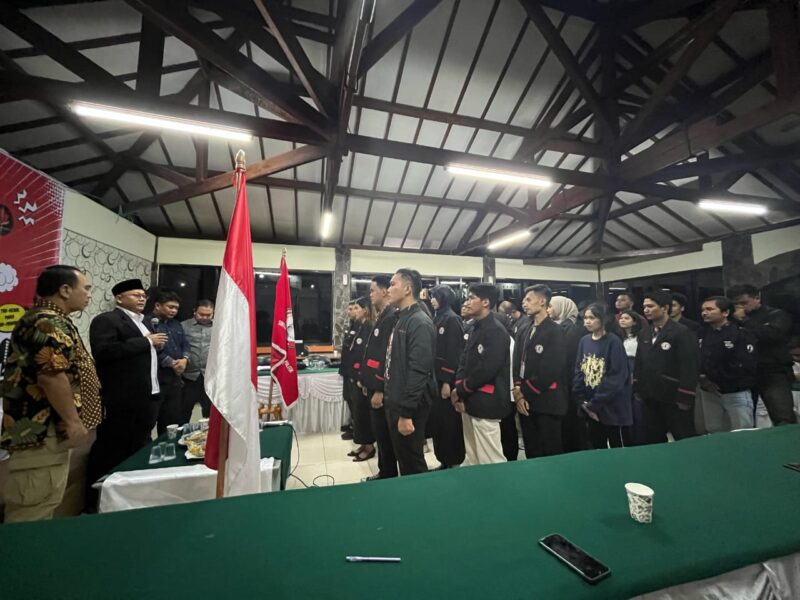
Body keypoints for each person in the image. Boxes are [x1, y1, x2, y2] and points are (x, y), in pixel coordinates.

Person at [1, 266, 100, 522]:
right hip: (41, 431)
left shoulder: (55, 319)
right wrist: (73, 422)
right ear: (65, 290)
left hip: (49, 431)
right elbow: (52, 376)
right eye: (86, 288)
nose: (89, 294)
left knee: (45, 501)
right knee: (32, 509)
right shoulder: (46, 322)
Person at [87, 279, 167, 485]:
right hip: (123, 397)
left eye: (143, 296)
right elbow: (104, 351)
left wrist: (154, 346)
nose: (142, 299)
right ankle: (100, 489)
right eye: (136, 295)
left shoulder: (145, 321)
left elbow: (141, 352)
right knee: (114, 445)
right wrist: (147, 341)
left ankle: (132, 486)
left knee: (140, 443)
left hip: (149, 394)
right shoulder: (107, 320)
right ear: (119, 298)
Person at [452, 284, 512, 466]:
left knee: (491, 459)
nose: (467, 302)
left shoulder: (496, 330)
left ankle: (497, 485)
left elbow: (487, 369)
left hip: (487, 402)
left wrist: (462, 389)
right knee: (472, 455)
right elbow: (464, 361)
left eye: (471, 298)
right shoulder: (475, 327)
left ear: (485, 302)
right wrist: (459, 387)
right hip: (470, 398)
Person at [384, 268, 436, 475]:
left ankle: (419, 494)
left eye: (392, 284)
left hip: (409, 405)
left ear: (407, 289)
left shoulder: (419, 321)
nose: (388, 289)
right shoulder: (402, 318)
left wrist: (406, 413)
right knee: (403, 457)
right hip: (396, 398)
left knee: (412, 460)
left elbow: (419, 370)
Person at [634, 290, 699, 444]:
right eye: (644, 307)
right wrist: (637, 386)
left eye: (651, 306)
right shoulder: (644, 333)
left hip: (674, 395)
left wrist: (686, 395)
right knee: (653, 438)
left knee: (683, 437)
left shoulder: (681, 332)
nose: (646, 310)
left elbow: (689, 365)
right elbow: (639, 362)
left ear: (665, 308)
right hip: (650, 395)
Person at [728, 284, 796, 426]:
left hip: (773, 370)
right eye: (736, 304)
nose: (740, 308)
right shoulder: (732, 320)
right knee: (744, 420)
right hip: (745, 373)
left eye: (744, 303)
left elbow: (772, 335)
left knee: (782, 415)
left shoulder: (776, 315)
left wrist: (745, 321)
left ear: (757, 298)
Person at [513, 284, 567, 457]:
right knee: (532, 450)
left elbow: (550, 370)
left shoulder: (555, 331)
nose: (524, 303)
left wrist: (523, 392)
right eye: (524, 300)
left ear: (542, 301)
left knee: (550, 452)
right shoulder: (524, 328)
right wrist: (517, 390)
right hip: (525, 399)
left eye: (529, 299)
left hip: (546, 402)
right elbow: (517, 362)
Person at [573, 303, 632, 449]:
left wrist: (594, 404)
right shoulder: (584, 340)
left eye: (592, 318)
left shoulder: (614, 342)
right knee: (597, 445)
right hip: (589, 405)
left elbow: (616, 377)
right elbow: (579, 369)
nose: (587, 321)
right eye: (585, 318)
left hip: (611, 407)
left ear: (603, 319)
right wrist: (582, 400)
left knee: (617, 446)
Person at [697, 296, 757, 432]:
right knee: (714, 430)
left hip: (735, 390)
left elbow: (745, 364)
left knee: (741, 431)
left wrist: (719, 379)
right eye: (703, 310)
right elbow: (697, 359)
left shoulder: (740, 334)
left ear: (725, 312)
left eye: (710, 309)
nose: (705, 313)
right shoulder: (701, 333)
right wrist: (703, 378)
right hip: (709, 391)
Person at [360, 276, 399, 480]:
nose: (370, 295)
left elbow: (386, 355)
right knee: (380, 433)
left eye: (373, 290)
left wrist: (379, 389)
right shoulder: (382, 315)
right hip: (372, 383)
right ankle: (385, 470)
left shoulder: (391, 316)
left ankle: (388, 473)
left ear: (384, 292)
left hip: (381, 388)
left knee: (384, 435)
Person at [429, 285, 465, 470]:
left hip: (446, 380)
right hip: (434, 378)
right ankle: (443, 458)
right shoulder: (437, 317)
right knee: (439, 422)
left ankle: (453, 460)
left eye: (435, 296)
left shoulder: (452, 319)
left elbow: (454, 353)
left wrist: (446, 381)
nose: (432, 300)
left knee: (449, 423)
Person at [148, 289, 190, 434]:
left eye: (176, 308)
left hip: (175, 379)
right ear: (158, 305)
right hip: (156, 380)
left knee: (171, 421)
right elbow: (151, 349)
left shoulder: (176, 324)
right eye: (170, 307)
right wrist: (171, 363)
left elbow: (185, 344)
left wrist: (185, 360)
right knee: (149, 422)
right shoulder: (147, 323)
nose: (174, 311)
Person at [548, 295, 585, 452]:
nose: (548, 310)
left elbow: (566, 358)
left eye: (551, 306)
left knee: (570, 425)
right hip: (559, 384)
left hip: (567, 383)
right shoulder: (556, 326)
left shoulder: (570, 329)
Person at [343, 297, 375, 462]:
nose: (354, 311)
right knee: (357, 411)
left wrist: (360, 375)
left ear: (365, 310)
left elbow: (365, 355)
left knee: (363, 412)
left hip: (362, 376)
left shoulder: (369, 327)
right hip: (353, 374)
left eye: (357, 308)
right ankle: (363, 443)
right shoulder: (359, 326)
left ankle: (369, 447)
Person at [181, 300, 214, 420]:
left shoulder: (219, 326)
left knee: (210, 412)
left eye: (208, 315)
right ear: (194, 312)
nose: (205, 317)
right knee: (184, 410)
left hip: (210, 376)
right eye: (201, 314)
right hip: (189, 376)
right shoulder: (183, 326)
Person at [618, 309, 646, 445]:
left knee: (637, 410)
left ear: (634, 322)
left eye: (626, 318)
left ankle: (639, 440)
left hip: (636, 371)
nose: (622, 320)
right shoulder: (618, 338)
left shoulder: (641, 337)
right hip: (621, 373)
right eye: (621, 318)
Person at [338, 302, 357, 441]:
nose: (349, 311)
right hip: (346, 369)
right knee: (348, 398)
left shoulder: (361, 327)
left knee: (354, 401)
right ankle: (352, 424)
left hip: (353, 372)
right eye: (349, 309)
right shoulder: (351, 325)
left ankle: (356, 428)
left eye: (353, 309)